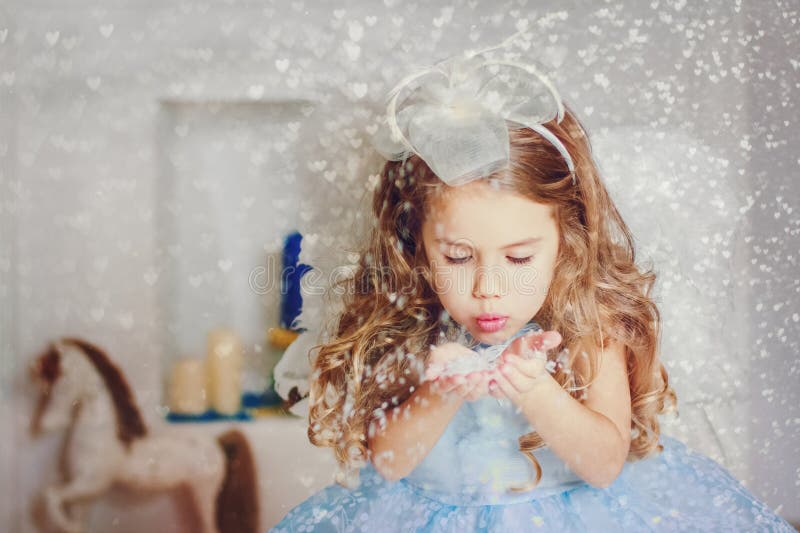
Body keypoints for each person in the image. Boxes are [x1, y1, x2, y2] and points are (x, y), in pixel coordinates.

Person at [270, 33, 794, 532]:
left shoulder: (590, 324)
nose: (487, 288)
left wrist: (539, 391)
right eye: (456, 256)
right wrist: (439, 392)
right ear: (417, 246)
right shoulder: (414, 327)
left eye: (519, 258)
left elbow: (605, 464)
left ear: (565, 240)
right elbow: (389, 463)